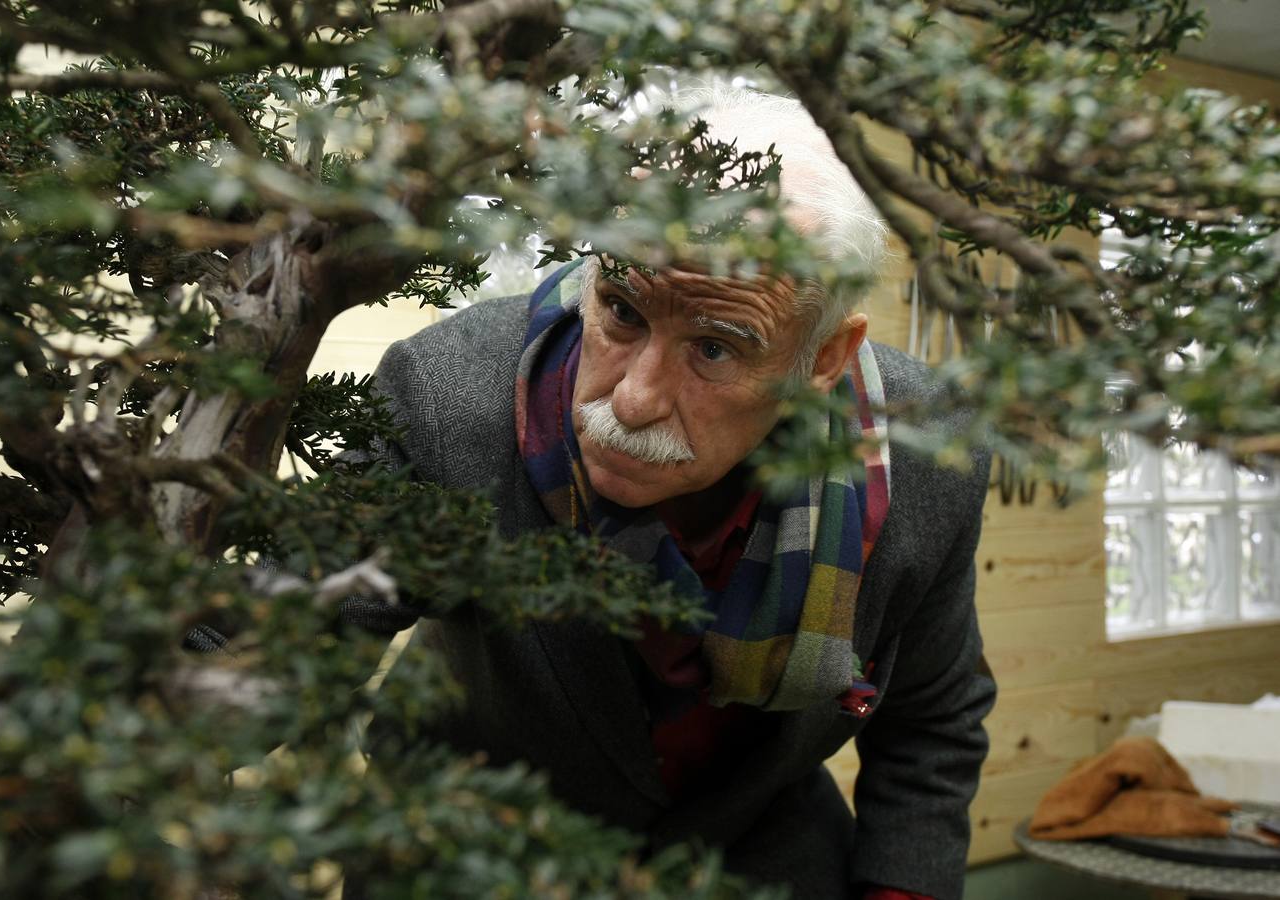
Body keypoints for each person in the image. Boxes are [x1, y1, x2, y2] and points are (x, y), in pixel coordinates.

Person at [356, 90, 996, 900]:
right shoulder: (449, 398)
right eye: (621, 310)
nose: (632, 401)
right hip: (466, 848)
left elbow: (932, 724)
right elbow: (281, 647)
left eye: (715, 348)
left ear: (824, 356)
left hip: (757, 854)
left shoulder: (923, 453)